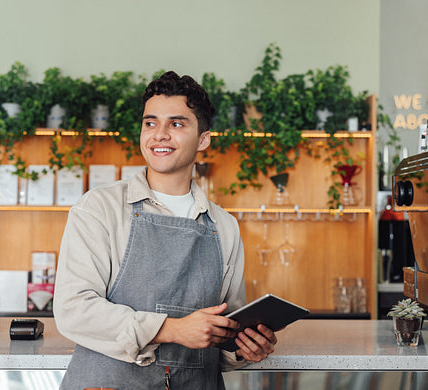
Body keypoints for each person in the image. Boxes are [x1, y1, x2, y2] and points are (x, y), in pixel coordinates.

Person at [53, 71, 277, 390]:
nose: (159, 134)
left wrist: (244, 347)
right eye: (150, 122)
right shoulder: (99, 208)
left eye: (176, 123)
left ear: (203, 139)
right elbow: (73, 310)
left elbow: (224, 331)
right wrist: (172, 330)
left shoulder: (224, 227)